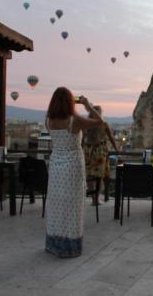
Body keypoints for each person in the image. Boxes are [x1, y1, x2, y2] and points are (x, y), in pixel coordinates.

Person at [45, 87, 103, 258]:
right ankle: (70, 246)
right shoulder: (74, 120)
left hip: (55, 165)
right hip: (72, 167)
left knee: (55, 205)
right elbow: (100, 121)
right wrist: (87, 105)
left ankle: (54, 244)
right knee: (73, 206)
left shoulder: (48, 120)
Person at [83, 106, 119, 205]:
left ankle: (93, 198)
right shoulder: (103, 123)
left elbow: (82, 139)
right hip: (100, 151)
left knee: (90, 176)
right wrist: (116, 149)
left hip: (88, 151)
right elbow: (111, 137)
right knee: (99, 176)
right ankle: (97, 199)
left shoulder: (86, 124)